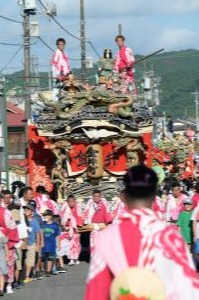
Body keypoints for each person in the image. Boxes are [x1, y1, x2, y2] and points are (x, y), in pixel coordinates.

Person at [85, 165, 199, 300]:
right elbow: (189, 290)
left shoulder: (106, 238)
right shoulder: (169, 236)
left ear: (125, 196)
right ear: (153, 196)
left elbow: (96, 292)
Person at [0, 206, 19, 294]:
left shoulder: (6, 212)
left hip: (6, 241)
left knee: (9, 264)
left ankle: (8, 284)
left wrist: (4, 236)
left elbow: (11, 227)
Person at [23, 203, 40, 284]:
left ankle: (27, 277)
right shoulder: (23, 221)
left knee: (30, 261)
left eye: (27, 210)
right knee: (25, 261)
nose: (25, 211)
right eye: (24, 210)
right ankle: (25, 275)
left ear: (31, 212)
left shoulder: (34, 221)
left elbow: (38, 233)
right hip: (23, 243)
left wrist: (38, 244)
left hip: (32, 243)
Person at [42, 209, 61, 276]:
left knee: (50, 258)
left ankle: (48, 271)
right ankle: (43, 269)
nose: (45, 217)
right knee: (43, 258)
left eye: (47, 215)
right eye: (44, 215)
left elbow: (57, 236)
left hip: (51, 245)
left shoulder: (55, 225)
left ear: (51, 216)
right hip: (43, 245)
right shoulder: (42, 224)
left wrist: (59, 244)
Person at [66, 195, 83, 266]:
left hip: (76, 230)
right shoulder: (66, 209)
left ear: (75, 201)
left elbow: (79, 218)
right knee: (70, 245)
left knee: (76, 244)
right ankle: (71, 259)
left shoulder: (77, 208)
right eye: (69, 201)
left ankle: (76, 258)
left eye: (73, 201)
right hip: (69, 230)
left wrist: (79, 226)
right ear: (67, 202)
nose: (71, 203)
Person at [0, 229, 8, 296]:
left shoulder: (1, 234)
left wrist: (7, 256)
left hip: (1, 255)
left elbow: (5, 246)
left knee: (1, 273)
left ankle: (1, 289)